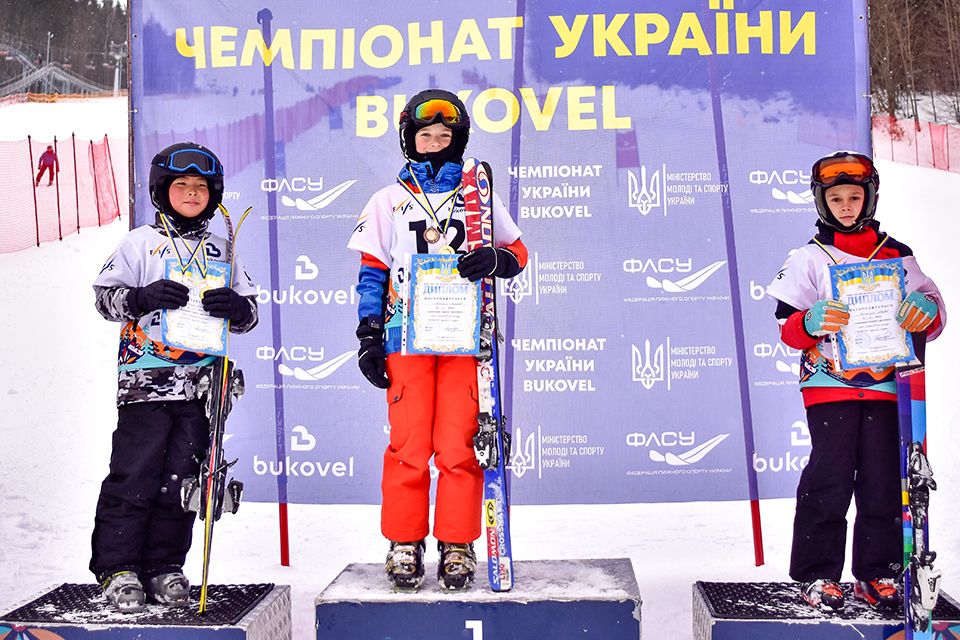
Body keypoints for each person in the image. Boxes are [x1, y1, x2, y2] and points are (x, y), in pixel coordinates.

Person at [347, 89, 528, 591]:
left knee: (459, 446)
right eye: (425, 135)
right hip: (406, 339)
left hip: (464, 341)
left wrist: (496, 260)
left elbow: (517, 250)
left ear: (458, 140)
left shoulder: (478, 196)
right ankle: (404, 540)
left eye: (444, 135)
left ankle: (457, 541)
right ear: (410, 140)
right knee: (408, 444)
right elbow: (372, 272)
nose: (434, 143)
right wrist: (369, 335)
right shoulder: (387, 201)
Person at [767, 151, 946, 612]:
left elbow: (931, 310)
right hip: (830, 385)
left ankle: (877, 571)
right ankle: (817, 573)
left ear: (869, 198)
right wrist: (810, 321)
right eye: (836, 199)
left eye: (854, 197)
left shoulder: (895, 253)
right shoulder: (809, 257)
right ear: (822, 202)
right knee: (829, 476)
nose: (846, 206)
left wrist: (925, 309)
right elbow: (787, 326)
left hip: (887, 387)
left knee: (883, 480)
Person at [90, 142, 258, 612]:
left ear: (213, 194)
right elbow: (104, 299)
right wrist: (140, 298)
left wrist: (237, 308)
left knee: (184, 477)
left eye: (200, 187)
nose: (191, 193)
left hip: (202, 386)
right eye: (181, 185)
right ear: (161, 190)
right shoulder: (139, 242)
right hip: (146, 381)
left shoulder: (223, 246)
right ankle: (119, 567)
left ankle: (164, 564)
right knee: (136, 471)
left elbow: (249, 314)